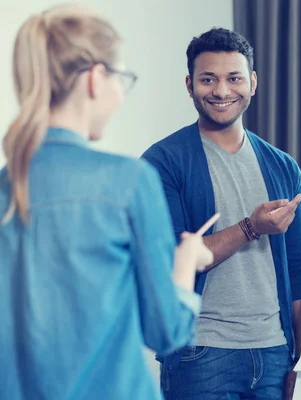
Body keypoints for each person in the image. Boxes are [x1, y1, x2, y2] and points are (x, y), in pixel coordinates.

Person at [0, 5, 213, 400]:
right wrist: (186, 262)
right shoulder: (128, 180)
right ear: (96, 79)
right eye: (121, 78)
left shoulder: (5, 186)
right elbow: (165, 331)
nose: (119, 95)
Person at [141, 27, 301, 400]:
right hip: (199, 354)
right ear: (190, 85)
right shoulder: (162, 163)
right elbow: (172, 259)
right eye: (208, 79)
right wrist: (251, 227)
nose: (221, 91)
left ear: (252, 82)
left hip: (275, 353)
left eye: (234, 78)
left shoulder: (283, 167)